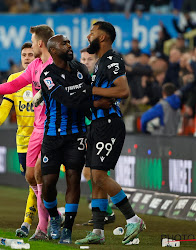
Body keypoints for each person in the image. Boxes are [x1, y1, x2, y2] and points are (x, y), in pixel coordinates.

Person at [0, 25, 55, 241]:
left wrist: (45, 94)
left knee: (43, 176)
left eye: (33, 44)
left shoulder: (56, 65)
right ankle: (56, 215)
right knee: (30, 176)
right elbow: (13, 86)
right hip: (33, 131)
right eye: (24, 54)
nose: (28, 54)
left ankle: (42, 224)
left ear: (40, 44)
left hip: (54, 128)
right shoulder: (34, 67)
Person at [75, 21, 146, 245]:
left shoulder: (113, 59)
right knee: (95, 178)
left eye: (92, 33)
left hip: (109, 124)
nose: (88, 36)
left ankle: (133, 219)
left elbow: (123, 90)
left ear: (103, 37)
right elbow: (100, 98)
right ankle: (98, 231)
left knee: (98, 176)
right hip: (96, 125)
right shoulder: (100, 63)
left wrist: (91, 91)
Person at [39, 34, 113, 244]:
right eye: (64, 44)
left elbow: (87, 96)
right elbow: (67, 99)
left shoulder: (81, 69)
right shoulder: (48, 75)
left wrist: (91, 102)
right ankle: (54, 217)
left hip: (77, 135)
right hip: (53, 136)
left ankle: (68, 229)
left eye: (69, 42)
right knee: (49, 183)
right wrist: (90, 98)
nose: (69, 46)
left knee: (73, 178)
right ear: (53, 50)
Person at [0, 42, 37, 237]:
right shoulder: (15, 79)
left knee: (37, 180)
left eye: (30, 54)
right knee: (32, 181)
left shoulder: (42, 78)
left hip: (42, 139)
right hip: (23, 141)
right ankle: (50, 215)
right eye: (24, 54)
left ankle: (27, 223)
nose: (26, 58)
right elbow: (6, 105)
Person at [80, 48, 116, 226]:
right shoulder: (84, 79)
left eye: (89, 59)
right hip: (91, 129)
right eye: (83, 59)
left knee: (97, 173)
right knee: (91, 173)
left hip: (104, 128)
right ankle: (103, 213)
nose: (86, 62)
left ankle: (108, 212)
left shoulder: (102, 79)